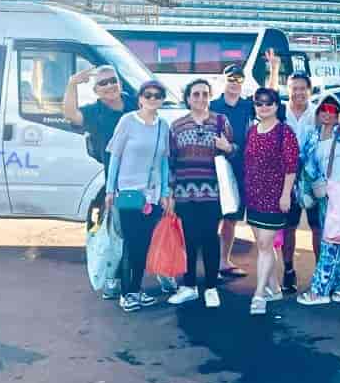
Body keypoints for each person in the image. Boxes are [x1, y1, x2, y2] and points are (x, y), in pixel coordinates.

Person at [63, 65, 137, 300]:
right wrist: (73, 83)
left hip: (144, 182)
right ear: (95, 90)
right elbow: (70, 114)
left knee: (137, 233)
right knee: (119, 234)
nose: (109, 86)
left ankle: (127, 282)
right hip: (117, 184)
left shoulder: (136, 103)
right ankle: (118, 284)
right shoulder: (95, 113)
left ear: (120, 83)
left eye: (112, 80)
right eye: (102, 83)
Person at [210, 53, 281, 279]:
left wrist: (274, 70)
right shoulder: (213, 105)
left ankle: (223, 260)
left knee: (231, 217)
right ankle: (212, 262)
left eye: (239, 80)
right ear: (224, 81)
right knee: (214, 217)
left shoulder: (247, 105)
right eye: (231, 79)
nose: (234, 84)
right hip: (217, 167)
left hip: (242, 168)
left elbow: (270, 99)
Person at [104, 80, 172, 311]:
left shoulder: (164, 126)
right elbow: (115, 156)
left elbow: (164, 161)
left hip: (152, 196)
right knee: (131, 244)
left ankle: (136, 288)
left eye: (157, 95)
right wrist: (110, 190)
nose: (152, 99)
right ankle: (127, 293)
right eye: (148, 95)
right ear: (140, 98)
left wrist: (164, 193)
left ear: (162, 99)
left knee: (143, 245)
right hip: (129, 194)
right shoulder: (127, 122)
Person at [296, 95, 340, 306]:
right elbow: (305, 162)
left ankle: (319, 290)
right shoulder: (312, 136)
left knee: (330, 242)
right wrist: (315, 183)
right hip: (323, 198)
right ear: (318, 112)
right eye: (324, 109)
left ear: (338, 113)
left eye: (332, 109)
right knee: (336, 241)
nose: (328, 113)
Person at [167, 79, 234, 308]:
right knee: (189, 240)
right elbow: (171, 162)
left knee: (210, 240)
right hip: (185, 194)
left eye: (205, 94)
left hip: (213, 193)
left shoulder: (221, 122)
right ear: (188, 98)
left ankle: (212, 288)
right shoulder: (176, 126)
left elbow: (233, 154)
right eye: (196, 94)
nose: (201, 98)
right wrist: (171, 193)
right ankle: (189, 286)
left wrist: (229, 149)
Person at [243, 87, 299, 315]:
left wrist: (286, 194)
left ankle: (259, 295)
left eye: (268, 102)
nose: (263, 106)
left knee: (266, 246)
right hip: (253, 196)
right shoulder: (252, 130)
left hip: (274, 198)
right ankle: (274, 288)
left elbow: (291, 166)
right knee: (262, 246)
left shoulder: (284, 132)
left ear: (277, 105)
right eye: (259, 103)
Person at [280, 71, 322, 293]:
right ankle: (288, 271)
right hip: (286, 178)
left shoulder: (317, 114)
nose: (298, 93)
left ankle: (320, 272)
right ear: (288, 90)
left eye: (302, 88)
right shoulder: (280, 112)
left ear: (309, 90)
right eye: (293, 88)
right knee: (289, 227)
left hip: (313, 178)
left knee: (317, 227)